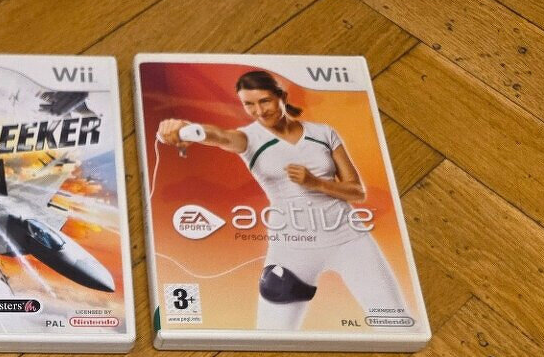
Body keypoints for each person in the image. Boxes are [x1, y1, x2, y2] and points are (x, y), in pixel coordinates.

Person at [156, 69, 410, 331]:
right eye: (249, 104)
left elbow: (357, 191)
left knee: (398, 325)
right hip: (292, 248)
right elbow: (219, 136)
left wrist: (316, 183)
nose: (258, 111)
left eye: (265, 101)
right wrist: (184, 128)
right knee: (270, 334)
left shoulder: (323, 133)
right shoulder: (249, 138)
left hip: (350, 239)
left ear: (282, 97)